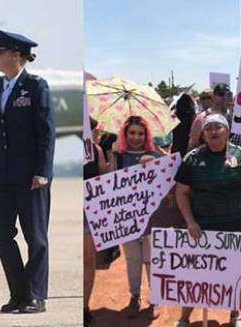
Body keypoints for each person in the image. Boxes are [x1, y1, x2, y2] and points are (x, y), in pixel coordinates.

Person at [0, 28, 55, 314]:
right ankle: (18, 293)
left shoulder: (36, 86)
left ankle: (36, 296)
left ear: (15, 54)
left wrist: (43, 171)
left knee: (35, 237)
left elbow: (46, 133)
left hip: (30, 177)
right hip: (0, 175)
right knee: (1, 234)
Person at [174, 113, 241, 327]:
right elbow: (181, 192)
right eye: (209, 128)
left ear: (227, 131)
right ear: (203, 133)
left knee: (236, 272)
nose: (213, 131)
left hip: (236, 224)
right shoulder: (192, 158)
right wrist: (190, 222)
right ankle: (184, 318)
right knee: (195, 275)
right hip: (201, 228)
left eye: (218, 127)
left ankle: (236, 314)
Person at [107, 115, 161, 318]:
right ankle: (134, 296)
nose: (136, 137)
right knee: (132, 259)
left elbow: (171, 173)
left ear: (146, 135)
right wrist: (112, 156)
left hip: (151, 217)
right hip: (125, 218)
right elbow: (108, 182)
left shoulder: (154, 153)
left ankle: (155, 298)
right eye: (132, 133)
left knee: (151, 259)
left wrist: (156, 160)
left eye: (140, 133)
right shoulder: (118, 155)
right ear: (125, 134)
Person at [83, 117, 107, 325]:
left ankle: (85, 305)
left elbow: (106, 177)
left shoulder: (96, 151)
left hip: (89, 212)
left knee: (88, 261)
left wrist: (114, 154)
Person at [187, 84, 232, 151]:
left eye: (228, 95)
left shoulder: (231, 117)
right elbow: (192, 144)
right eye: (221, 95)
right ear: (213, 97)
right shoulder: (202, 117)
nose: (225, 98)